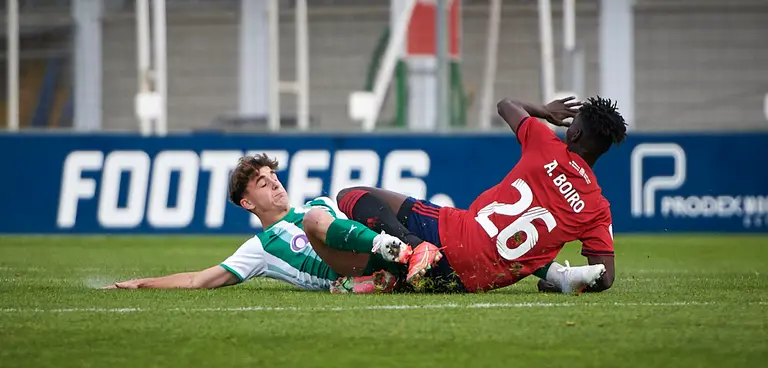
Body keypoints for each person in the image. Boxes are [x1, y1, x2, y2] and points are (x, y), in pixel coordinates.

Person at [337, 95, 625, 294]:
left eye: (573, 125)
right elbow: (605, 276)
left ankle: (414, 247)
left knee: (350, 195)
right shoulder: (598, 208)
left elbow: (506, 105)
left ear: (573, 135)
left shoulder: (546, 143)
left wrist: (545, 111)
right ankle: (557, 277)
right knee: (523, 252)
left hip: (450, 235)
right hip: (470, 281)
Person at [103, 154, 436, 293]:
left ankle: (401, 254)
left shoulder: (319, 204)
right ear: (248, 203)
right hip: (343, 270)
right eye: (263, 183)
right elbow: (197, 280)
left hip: (365, 251)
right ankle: (394, 260)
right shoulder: (260, 248)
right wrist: (142, 284)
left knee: (339, 202)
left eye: (273, 176)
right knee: (315, 219)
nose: (275, 183)